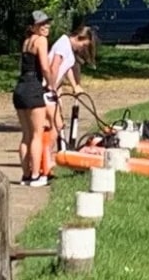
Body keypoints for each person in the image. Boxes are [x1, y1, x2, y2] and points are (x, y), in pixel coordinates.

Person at [12, 10, 57, 188]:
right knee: (37, 134)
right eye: (41, 24)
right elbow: (45, 67)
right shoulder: (41, 41)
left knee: (26, 135)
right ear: (32, 27)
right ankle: (37, 176)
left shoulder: (26, 42)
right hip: (33, 88)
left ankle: (25, 175)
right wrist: (52, 84)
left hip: (20, 89)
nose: (46, 26)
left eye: (47, 23)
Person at [44, 25, 98, 150]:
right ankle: (46, 155)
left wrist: (75, 85)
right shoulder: (63, 44)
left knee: (54, 124)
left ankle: (47, 155)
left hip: (53, 89)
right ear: (79, 38)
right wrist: (51, 87)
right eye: (83, 45)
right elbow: (54, 66)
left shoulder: (68, 48)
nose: (82, 49)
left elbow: (67, 67)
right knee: (55, 124)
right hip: (46, 90)